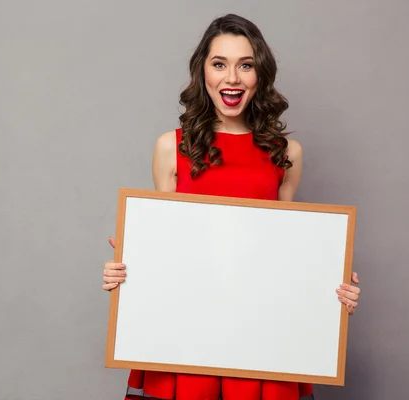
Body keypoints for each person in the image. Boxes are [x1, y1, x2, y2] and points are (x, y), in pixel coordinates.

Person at [101, 13, 362, 400]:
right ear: (202, 72)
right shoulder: (170, 147)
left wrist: (329, 286)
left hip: (260, 337)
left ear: (261, 75)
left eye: (246, 65)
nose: (232, 78)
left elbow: (287, 253)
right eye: (219, 64)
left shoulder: (287, 154)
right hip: (187, 335)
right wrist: (126, 271)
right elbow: (166, 249)